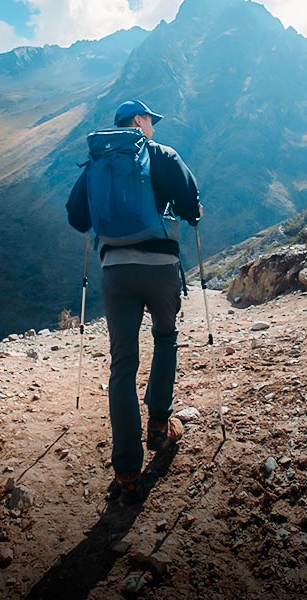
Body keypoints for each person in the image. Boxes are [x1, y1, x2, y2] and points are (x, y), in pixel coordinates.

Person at [66, 99, 201, 502]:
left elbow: (77, 218)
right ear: (140, 121)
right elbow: (191, 209)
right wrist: (187, 211)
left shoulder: (97, 162)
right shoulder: (163, 155)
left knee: (122, 365)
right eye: (150, 120)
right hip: (160, 269)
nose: (153, 127)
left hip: (115, 272)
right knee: (165, 338)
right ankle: (160, 425)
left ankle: (126, 469)